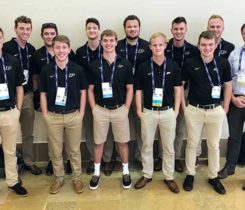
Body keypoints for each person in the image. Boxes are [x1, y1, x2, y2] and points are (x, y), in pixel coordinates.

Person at [182, 31, 232, 195]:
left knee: (214, 145)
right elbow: (181, 86)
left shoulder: (223, 63)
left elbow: (228, 86)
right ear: (199, 45)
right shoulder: (190, 63)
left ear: (215, 46)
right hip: (194, 110)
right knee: (192, 143)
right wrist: (184, 107)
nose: (207, 48)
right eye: (203, 44)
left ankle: (213, 176)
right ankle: (190, 174)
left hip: (215, 110)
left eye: (210, 45)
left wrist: (224, 108)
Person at [134, 32, 181, 193]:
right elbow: (138, 91)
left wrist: (176, 110)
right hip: (149, 111)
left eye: (160, 44)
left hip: (168, 112)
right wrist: (139, 111)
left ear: (165, 45)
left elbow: (178, 90)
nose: (158, 47)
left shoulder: (173, 66)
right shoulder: (143, 67)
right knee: (147, 145)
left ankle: (169, 176)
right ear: (150, 47)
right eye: (154, 45)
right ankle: (147, 174)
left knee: (168, 147)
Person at [40, 35, 87, 194]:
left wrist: (81, 113)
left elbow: (83, 92)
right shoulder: (46, 70)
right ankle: (59, 178)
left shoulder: (77, 69)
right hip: (53, 116)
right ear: (53, 49)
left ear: (69, 49)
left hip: (73, 115)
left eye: (64, 47)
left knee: (74, 149)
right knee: (55, 150)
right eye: (57, 47)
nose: (61, 51)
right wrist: (45, 115)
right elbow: (43, 95)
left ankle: (76, 178)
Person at [88, 29, 133, 190]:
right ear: (101, 42)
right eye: (105, 41)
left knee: (122, 143)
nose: (108, 43)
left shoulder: (125, 64)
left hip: (120, 109)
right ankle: (96, 173)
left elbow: (130, 88)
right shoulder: (94, 65)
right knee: (99, 143)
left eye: (111, 40)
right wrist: (93, 109)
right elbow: (90, 90)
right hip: (100, 109)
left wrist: (126, 108)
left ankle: (126, 172)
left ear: (116, 42)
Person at [32, 22, 76, 176]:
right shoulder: (37, 55)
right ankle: (54, 164)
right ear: (42, 35)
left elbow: (76, 81)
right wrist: (42, 108)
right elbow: (36, 79)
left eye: (52, 33)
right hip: (50, 106)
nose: (49, 36)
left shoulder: (69, 55)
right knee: (53, 141)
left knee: (72, 143)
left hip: (70, 106)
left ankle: (71, 162)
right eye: (46, 33)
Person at [3, 16, 42, 175]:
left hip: (26, 96)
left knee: (28, 133)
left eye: (28, 29)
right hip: (8, 98)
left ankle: (28, 161)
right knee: (7, 136)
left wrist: (33, 92)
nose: (25, 32)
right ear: (15, 29)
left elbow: (34, 75)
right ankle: (10, 168)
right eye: (22, 28)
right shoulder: (5, 47)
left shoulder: (31, 50)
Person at [76, 18, 114, 176]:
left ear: (99, 30)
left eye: (94, 28)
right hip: (87, 96)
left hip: (107, 97)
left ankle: (108, 159)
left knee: (108, 130)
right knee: (91, 129)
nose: (92, 30)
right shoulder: (79, 52)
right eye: (89, 28)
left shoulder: (107, 48)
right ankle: (93, 157)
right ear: (86, 30)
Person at [164, 16, 199, 173]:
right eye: (175, 29)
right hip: (164, 92)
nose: (178, 32)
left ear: (186, 30)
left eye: (181, 29)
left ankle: (176, 157)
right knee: (162, 126)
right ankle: (161, 156)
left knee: (179, 127)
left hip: (184, 92)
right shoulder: (164, 47)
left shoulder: (193, 50)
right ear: (171, 30)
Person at [116, 15, 152, 168]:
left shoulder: (147, 46)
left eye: (135, 26)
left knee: (141, 128)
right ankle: (118, 159)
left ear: (139, 28)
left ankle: (140, 157)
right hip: (120, 93)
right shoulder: (117, 46)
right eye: (129, 26)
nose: (132, 29)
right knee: (118, 128)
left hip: (141, 93)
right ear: (124, 28)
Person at [0, 27, 27, 196]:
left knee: (10, 151)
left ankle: (12, 181)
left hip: (9, 112)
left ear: (2, 39)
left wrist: (17, 109)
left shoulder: (12, 61)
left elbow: (19, 86)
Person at [217, 24, 245, 189]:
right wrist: (233, 98)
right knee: (234, 136)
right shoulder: (234, 54)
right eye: (244, 33)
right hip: (236, 101)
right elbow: (226, 80)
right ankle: (230, 167)